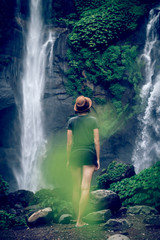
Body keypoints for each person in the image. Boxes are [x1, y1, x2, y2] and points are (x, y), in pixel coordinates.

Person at [67, 95, 100, 227]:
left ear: (77, 108)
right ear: (88, 107)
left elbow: (69, 143)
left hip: (75, 155)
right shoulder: (93, 121)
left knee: (75, 188)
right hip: (88, 154)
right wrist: (97, 158)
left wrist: (68, 160)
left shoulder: (71, 121)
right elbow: (96, 141)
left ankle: (76, 217)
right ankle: (80, 221)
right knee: (85, 188)